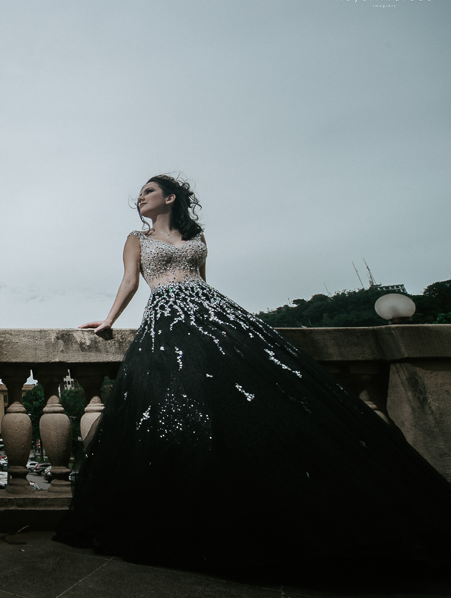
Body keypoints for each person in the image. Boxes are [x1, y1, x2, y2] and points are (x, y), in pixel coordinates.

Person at [54, 174, 451, 572]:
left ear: (170, 198)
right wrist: (109, 319)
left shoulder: (198, 237)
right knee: (180, 408)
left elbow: (204, 282)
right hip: (166, 319)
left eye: (148, 192)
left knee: (249, 399)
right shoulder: (136, 239)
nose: (139, 199)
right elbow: (130, 280)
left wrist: (213, 320)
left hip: (212, 314)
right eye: (140, 195)